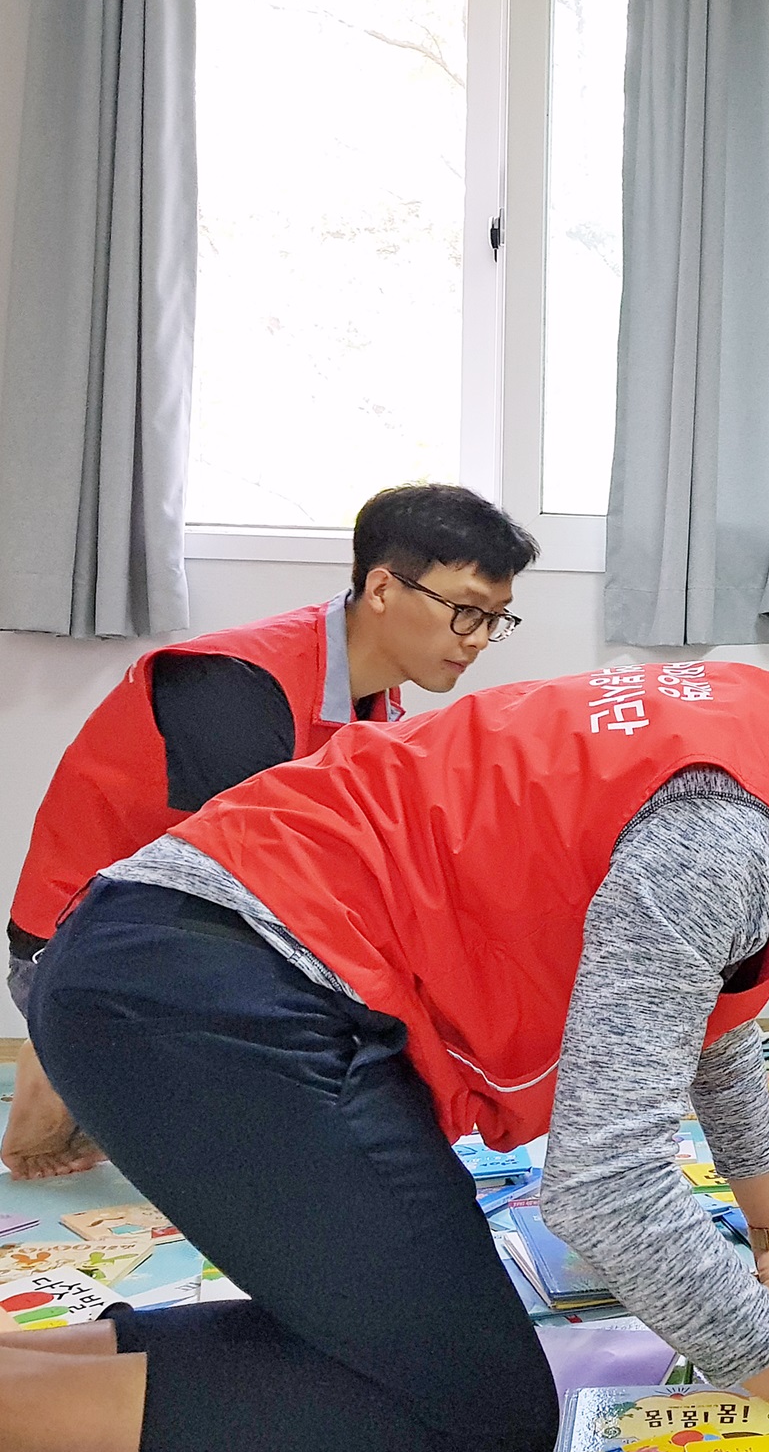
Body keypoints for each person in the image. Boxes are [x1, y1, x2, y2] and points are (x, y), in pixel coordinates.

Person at [5, 636, 769, 1452]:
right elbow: (605, 1189)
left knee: (432, 1354)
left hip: (204, 963)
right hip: (212, 992)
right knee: (475, 1420)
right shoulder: (724, 838)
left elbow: (712, 1018)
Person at [3, 482, 539, 1181]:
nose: (476, 640)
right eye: (463, 610)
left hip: (177, 928)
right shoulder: (236, 682)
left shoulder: (375, 708)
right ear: (382, 588)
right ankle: (67, 1047)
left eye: (494, 619)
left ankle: (105, 1069)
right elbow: (240, 898)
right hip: (86, 939)